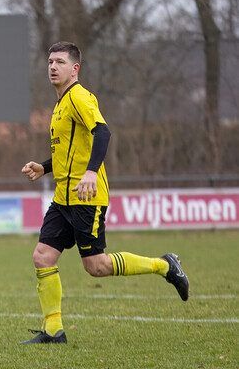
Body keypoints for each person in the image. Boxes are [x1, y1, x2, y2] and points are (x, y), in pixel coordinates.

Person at [19, 41, 189, 344]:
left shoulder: (79, 97)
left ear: (75, 69)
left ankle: (165, 265)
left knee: (96, 266)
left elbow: (102, 132)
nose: (53, 67)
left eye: (60, 62)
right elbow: (71, 150)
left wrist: (91, 172)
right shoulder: (60, 104)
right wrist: (44, 168)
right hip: (63, 197)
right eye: (49, 62)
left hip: (86, 197)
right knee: (43, 256)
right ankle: (53, 330)